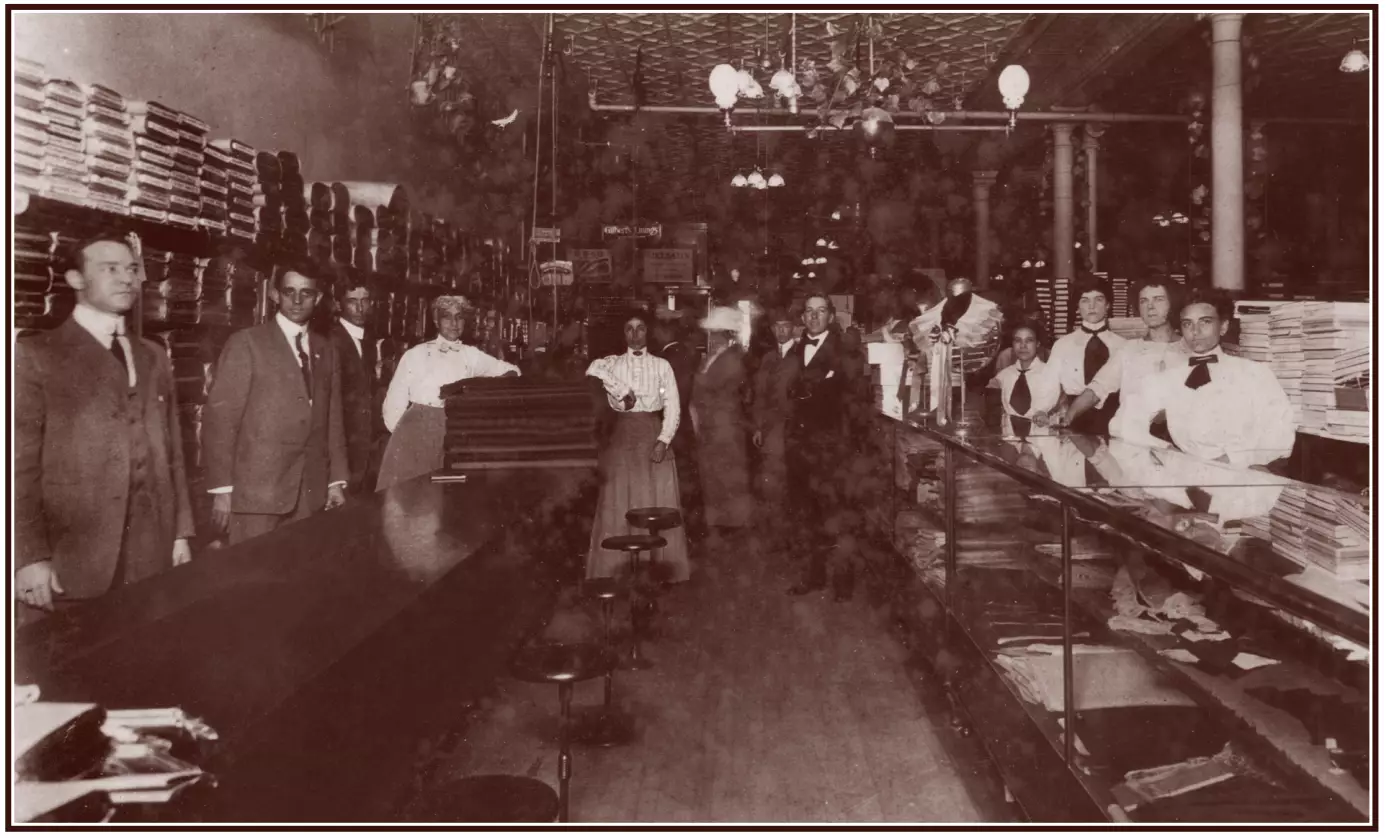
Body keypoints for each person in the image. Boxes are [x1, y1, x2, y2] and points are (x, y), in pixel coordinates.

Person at [15, 232, 195, 614]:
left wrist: (180, 533)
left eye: (131, 269)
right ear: (75, 279)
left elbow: (173, 451)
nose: (127, 279)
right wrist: (28, 557)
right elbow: (16, 469)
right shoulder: (36, 355)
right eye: (110, 269)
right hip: (71, 562)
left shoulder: (152, 355)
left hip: (150, 554)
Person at [203, 263, 349, 545]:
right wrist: (223, 490)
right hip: (256, 496)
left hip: (310, 493)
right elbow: (220, 420)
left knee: (299, 581)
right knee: (253, 582)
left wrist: (336, 481)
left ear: (318, 299)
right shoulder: (246, 343)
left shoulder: (326, 349)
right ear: (274, 295)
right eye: (288, 291)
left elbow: (333, 420)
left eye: (306, 293)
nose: (296, 300)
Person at [1112, 288, 1295, 468]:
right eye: (1187, 323)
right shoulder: (1167, 379)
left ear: (1223, 326)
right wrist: (1167, 450)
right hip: (1187, 478)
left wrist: (1233, 459)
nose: (1195, 331)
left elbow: (1281, 434)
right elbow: (1121, 424)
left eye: (1205, 322)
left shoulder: (1254, 373)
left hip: (1241, 477)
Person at [585, 311, 690, 582]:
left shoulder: (662, 366)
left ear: (648, 332)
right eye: (629, 329)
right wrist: (621, 393)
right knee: (620, 500)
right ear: (623, 333)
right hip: (623, 437)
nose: (635, 335)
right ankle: (618, 569)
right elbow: (594, 371)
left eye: (640, 329)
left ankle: (656, 569)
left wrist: (664, 440)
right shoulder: (612, 365)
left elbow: (673, 406)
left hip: (653, 434)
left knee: (654, 500)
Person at [377, 295, 519, 491]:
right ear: (436, 320)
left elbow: (511, 370)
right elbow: (393, 407)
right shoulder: (415, 355)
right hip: (415, 435)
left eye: (459, 317)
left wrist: (486, 387)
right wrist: (409, 437)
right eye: (447, 317)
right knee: (411, 501)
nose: (454, 323)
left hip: (455, 431)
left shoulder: (471, 354)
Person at [785, 293, 867, 602]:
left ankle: (843, 583)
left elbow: (856, 403)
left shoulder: (846, 352)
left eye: (821, 311)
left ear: (831, 316)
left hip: (833, 450)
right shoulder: (793, 351)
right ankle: (813, 576)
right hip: (800, 450)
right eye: (809, 311)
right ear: (803, 317)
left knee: (837, 516)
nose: (815, 317)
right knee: (806, 517)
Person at [1060, 277, 1187, 434]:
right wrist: (1069, 415)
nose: (1150, 307)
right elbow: (1097, 388)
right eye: (1143, 301)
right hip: (1130, 438)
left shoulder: (1189, 350)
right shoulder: (1128, 349)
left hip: (1177, 439)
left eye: (1158, 299)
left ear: (1172, 303)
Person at [691, 306, 752, 532]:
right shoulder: (716, 356)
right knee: (716, 474)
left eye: (716, 332)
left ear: (726, 334)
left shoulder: (731, 359)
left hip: (724, 426)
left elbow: (714, 390)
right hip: (713, 425)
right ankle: (720, 520)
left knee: (727, 475)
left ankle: (733, 523)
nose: (712, 336)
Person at [1043, 275, 1127, 434]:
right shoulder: (1063, 345)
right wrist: (1041, 410)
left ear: (1108, 305)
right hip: (1073, 420)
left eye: (1099, 299)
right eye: (1085, 300)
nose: (1092, 306)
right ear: (1077, 306)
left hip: (1115, 418)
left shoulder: (1123, 345)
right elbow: (1049, 386)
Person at [328, 278, 384, 495]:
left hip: (365, 447)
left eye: (365, 300)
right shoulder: (331, 340)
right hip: (343, 449)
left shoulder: (367, 340)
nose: (360, 308)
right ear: (339, 304)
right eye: (352, 301)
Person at [653, 314, 702, 537]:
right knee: (685, 477)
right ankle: (689, 526)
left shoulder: (671, 356)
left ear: (664, 332)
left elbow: (674, 396)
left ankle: (686, 529)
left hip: (675, 427)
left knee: (681, 478)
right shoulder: (680, 353)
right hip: (682, 426)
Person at [752, 309, 798, 516]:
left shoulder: (801, 355)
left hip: (795, 426)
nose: (781, 330)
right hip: (772, 427)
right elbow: (760, 394)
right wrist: (758, 426)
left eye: (785, 326)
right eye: (777, 326)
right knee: (771, 475)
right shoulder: (768, 358)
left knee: (793, 477)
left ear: (793, 328)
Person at [986, 320, 1060, 439]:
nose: (1023, 346)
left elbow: (1063, 411)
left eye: (1029, 340)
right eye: (1018, 340)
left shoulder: (1052, 373)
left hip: (1044, 441)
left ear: (1038, 344)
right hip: (1011, 442)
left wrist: (1050, 417)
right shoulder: (1003, 376)